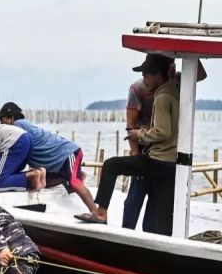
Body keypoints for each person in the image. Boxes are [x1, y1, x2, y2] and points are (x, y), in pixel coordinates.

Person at [75, 54, 179, 235]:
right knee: (159, 218)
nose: (144, 79)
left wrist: (140, 134)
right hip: (172, 162)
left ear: (156, 74)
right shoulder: (177, 88)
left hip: (158, 159)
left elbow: (162, 131)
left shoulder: (162, 96)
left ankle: (101, 213)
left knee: (110, 165)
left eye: (146, 74)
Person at [123, 54, 206, 231]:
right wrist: (135, 154)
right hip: (144, 146)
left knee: (156, 197)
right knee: (135, 195)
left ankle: (150, 234)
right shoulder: (138, 88)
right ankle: (126, 231)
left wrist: (189, 53)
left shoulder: (175, 82)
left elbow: (200, 74)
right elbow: (130, 125)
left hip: (164, 152)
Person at [0, 102, 97, 214]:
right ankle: (71, 175)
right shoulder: (22, 125)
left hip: (67, 153)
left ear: (11, 118)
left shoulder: (17, 126)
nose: (1, 124)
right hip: (58, 161)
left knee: (74, 182)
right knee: (43, 182)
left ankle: (96, 213)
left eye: (2, 120)